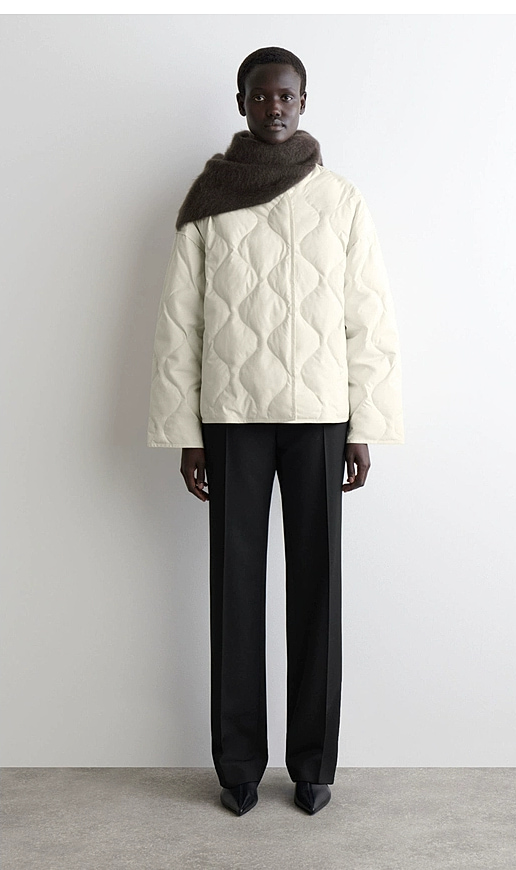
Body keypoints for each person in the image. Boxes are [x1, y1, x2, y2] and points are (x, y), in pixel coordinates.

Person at [147, 46, 405, 817]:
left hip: (320, 419)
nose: (275, 107)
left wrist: (364, 424)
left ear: (304, 101)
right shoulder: (209, 199)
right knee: (236, 590)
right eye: (261, 96)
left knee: (317, 590)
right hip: (232, 418)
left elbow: (368, 318)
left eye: (287, 96)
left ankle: (314, 765)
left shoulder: (340, 199)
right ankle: (238, 766)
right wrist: (187, 433)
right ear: (242, 103)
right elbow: (180, 322)